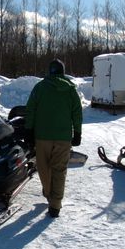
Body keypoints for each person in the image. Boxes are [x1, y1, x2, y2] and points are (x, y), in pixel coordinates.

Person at [25, 59, 82, 218]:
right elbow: (77, 113)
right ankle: (55, 205)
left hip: (42, 137)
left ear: (49, 71)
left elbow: (31, 110)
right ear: (63, 72)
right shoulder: (70, 89)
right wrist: (77, 133)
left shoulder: (39, 87)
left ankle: (49, 192)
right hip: (63, 138)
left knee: (43, 167)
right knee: (59, 170)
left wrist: (28, 130)